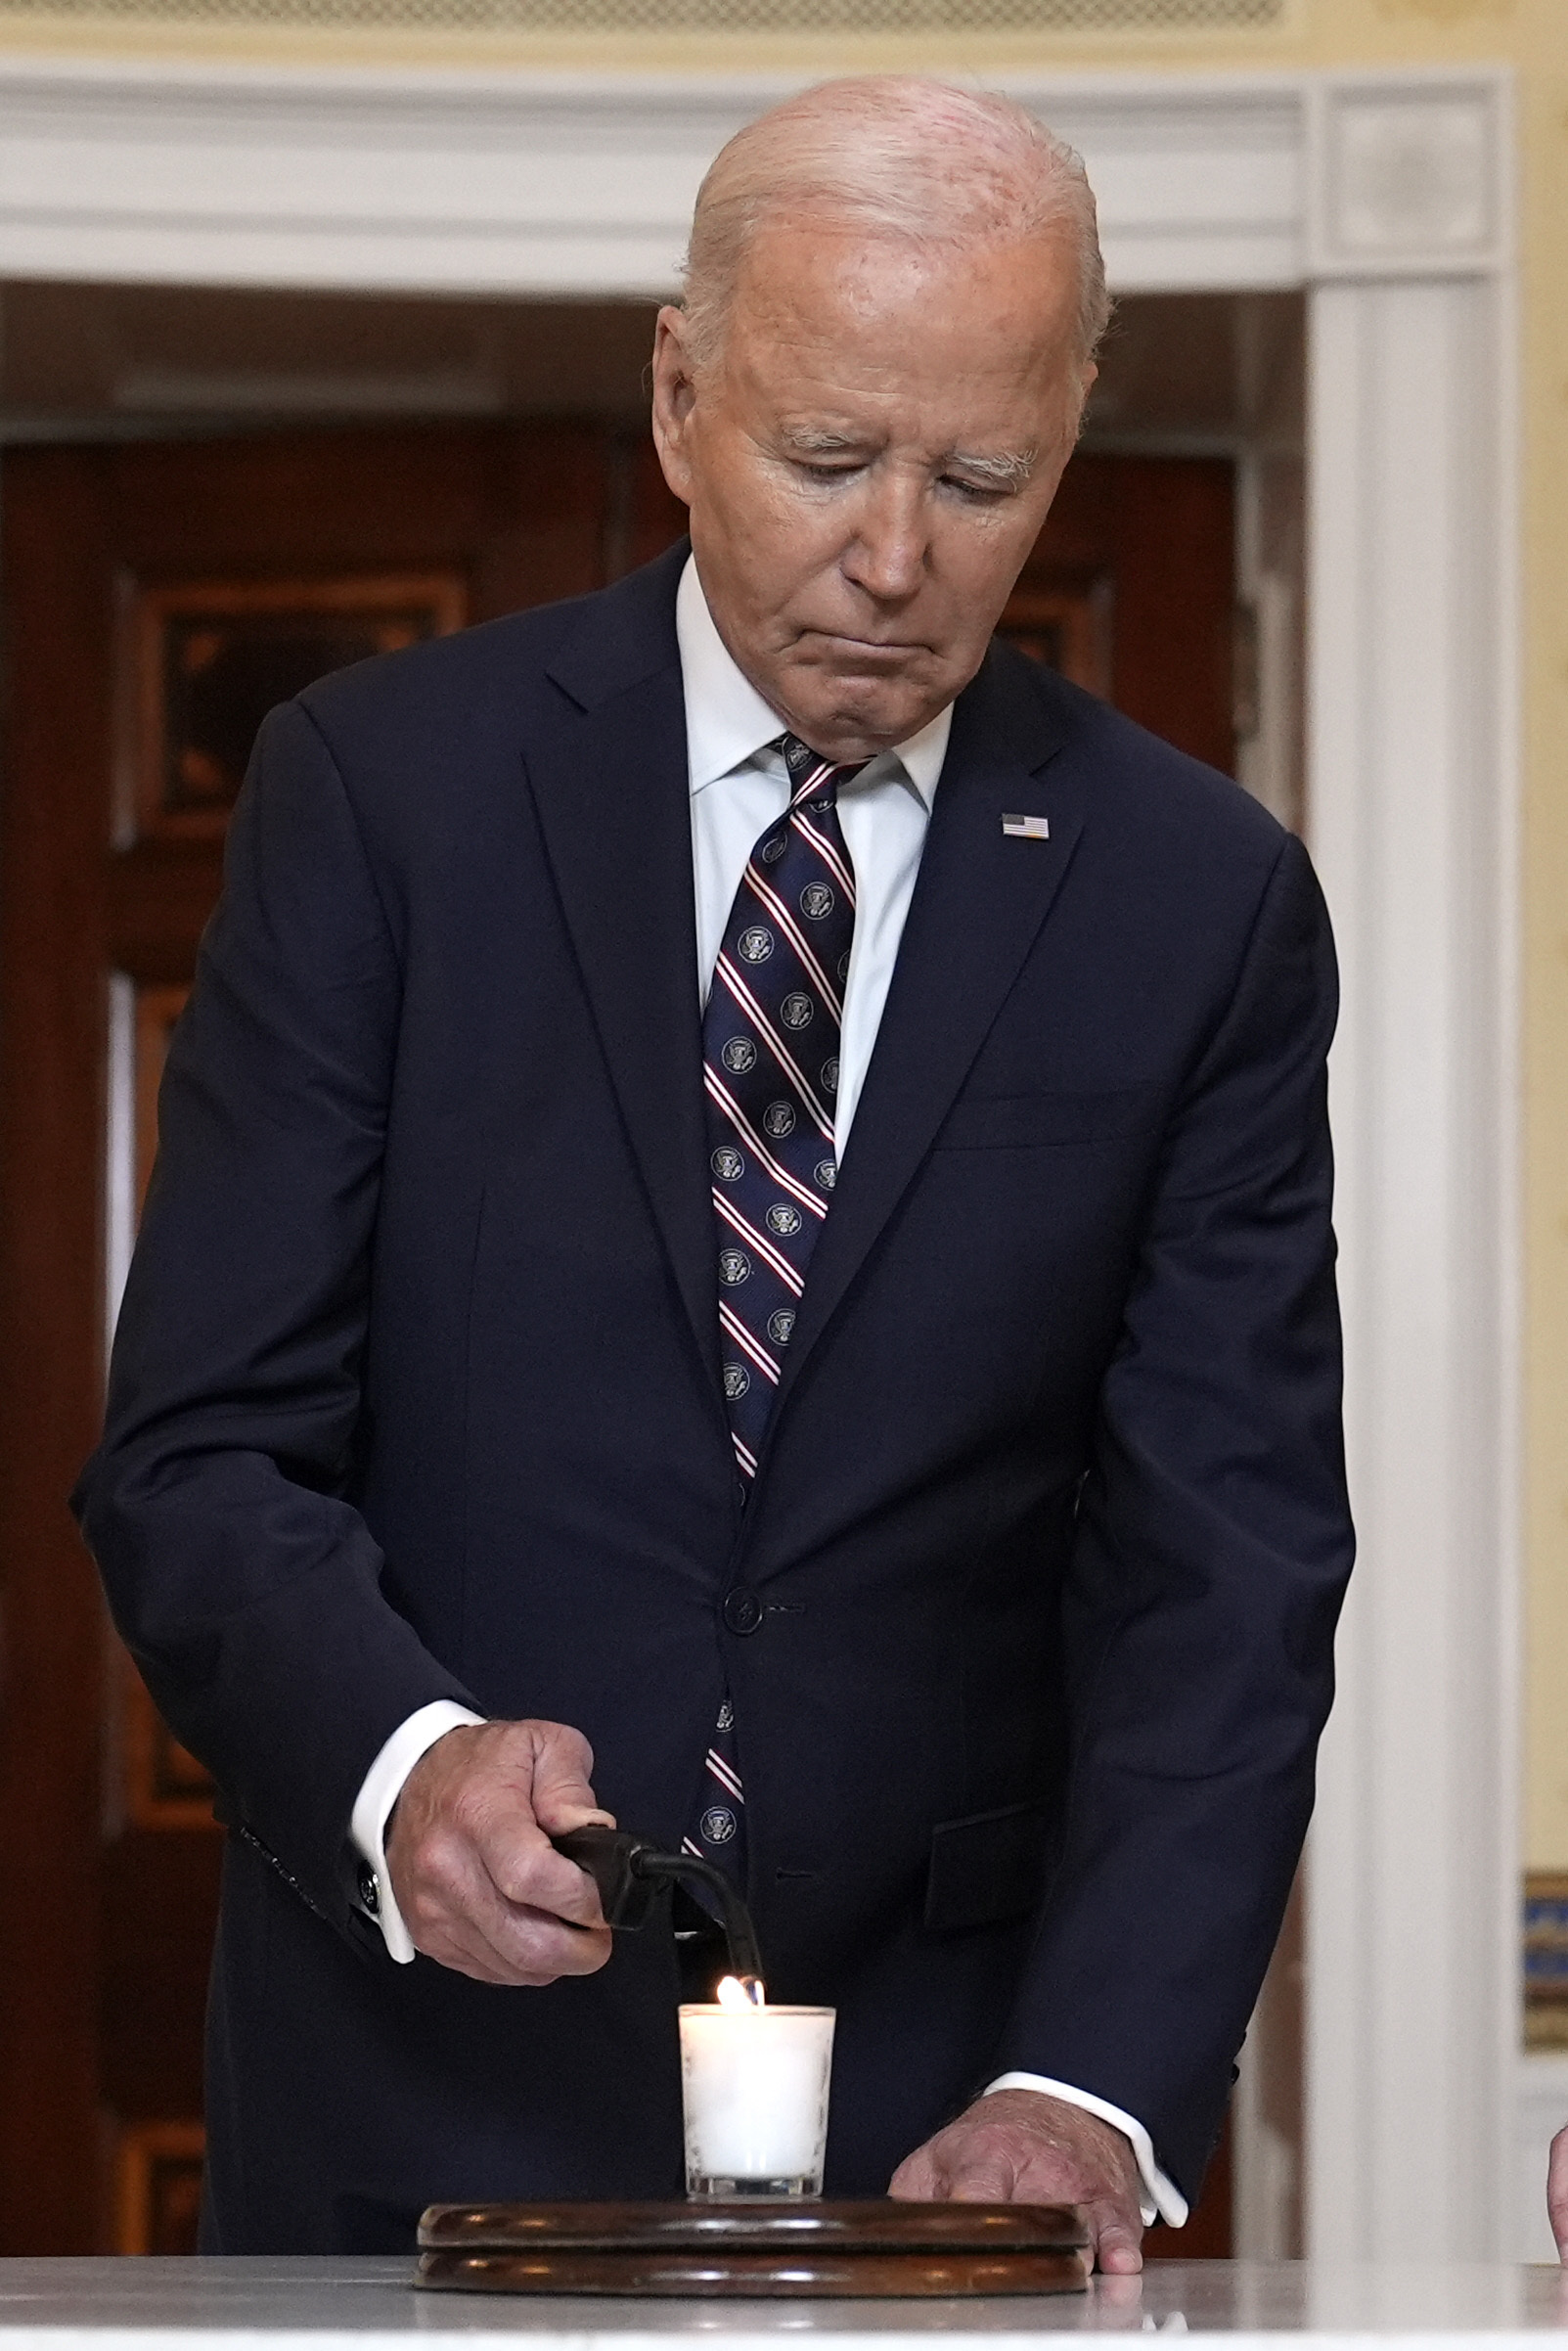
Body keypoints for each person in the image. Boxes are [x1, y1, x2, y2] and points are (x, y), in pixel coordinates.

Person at [73, 75, 1354, 2265]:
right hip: (420, 2104)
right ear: (679, 398)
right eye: (828, 458)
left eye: (980, 480)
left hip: (950, 2136)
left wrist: (1095, 2081)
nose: (894, 555)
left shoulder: (1196, 900)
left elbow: (1218, 1574)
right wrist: (402, 1761)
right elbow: (199, 1449)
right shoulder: (380, 800)